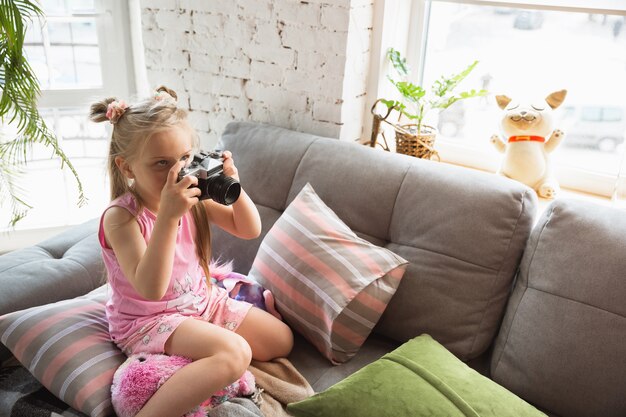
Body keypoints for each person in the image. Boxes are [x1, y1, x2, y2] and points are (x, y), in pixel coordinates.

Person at [90, 86, 293, 417]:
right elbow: (151, 288)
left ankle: (192, 363)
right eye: (161, 163)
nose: (178, 172)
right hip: (150, 319)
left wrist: (233, 185)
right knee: (236, 354)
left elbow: (249, 229)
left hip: (202, 302)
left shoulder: (193, 196)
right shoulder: (122, 218)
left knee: (280, 340)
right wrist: (169, 216)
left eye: (185, 158)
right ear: (127, 168)